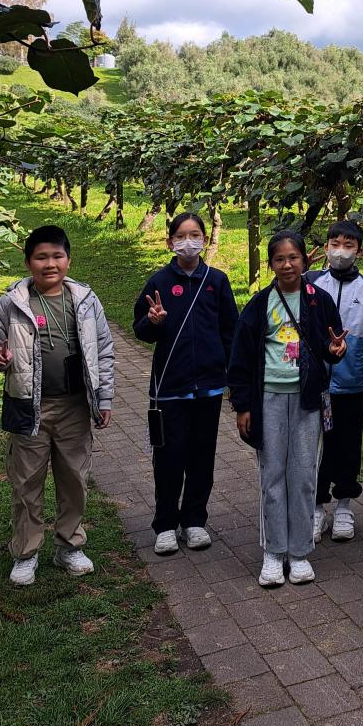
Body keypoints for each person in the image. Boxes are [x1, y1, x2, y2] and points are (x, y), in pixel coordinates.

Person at [0, 225, 114, 586]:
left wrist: (104, 399)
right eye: (41, 257)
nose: (49, 263)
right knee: (26, 482)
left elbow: (103, 351)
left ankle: (69, 545)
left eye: (57, 255)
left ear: (68, 260)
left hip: (74, 406)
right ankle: (26, 553)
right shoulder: (12, 302)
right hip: (28, 406)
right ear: (28, 262)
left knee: (74, 479)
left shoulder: (85, 300)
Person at [228, 230, 347, 588]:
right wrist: (243, 406)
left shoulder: (318, 300)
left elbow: (330, 344)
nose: (287, 264)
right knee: (273, 475)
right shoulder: (260, 304)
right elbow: (240, 357)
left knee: (304, 474)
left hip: (308, 400)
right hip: (269, 399)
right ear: (271, 265)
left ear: (305, 260)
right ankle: (273, 552)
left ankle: (299, 553)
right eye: (279, 259)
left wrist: (335, 351)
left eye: (293, 257)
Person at [133, 212, 239, 556]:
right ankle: (165, 524)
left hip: (208, 387)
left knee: (201, 457)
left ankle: (194, 520)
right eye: (181, 236)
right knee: (168, 457)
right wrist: (153, 322)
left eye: (195, 235)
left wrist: (229, 375)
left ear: (204, 240)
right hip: (170, 387)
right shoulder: (159, 282)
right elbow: (140, 330)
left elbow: (230, 332)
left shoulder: (216, 281)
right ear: (170, 242)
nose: (188, 242)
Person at [307, 219, 363, 542]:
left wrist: (353, 352)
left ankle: (344, 505)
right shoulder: (311, 282)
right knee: (315, 444)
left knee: (348, 442)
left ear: (360, 250)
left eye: (348, 245)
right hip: (315, 382)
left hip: (351, 382)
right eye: (335, 244)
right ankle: (316, 506)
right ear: (326, 247)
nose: (341, 251)